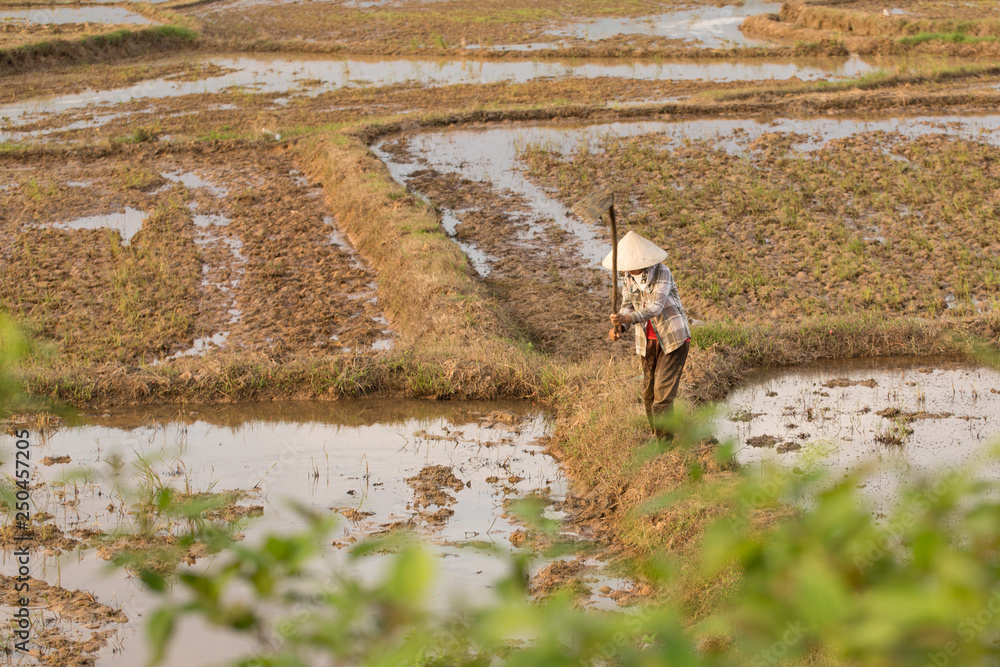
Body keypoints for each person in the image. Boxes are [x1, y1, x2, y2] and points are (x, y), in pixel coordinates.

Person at [607, 231, 691, 439]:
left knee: (662, 395)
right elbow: (627, 305)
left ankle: (664, 441)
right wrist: (620, 328)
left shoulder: (662, 272)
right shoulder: (627, 277)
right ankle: (657, 433)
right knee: (648, 393)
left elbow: (655, 308)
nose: (625, 267)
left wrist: (626, 319)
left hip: (672, 338)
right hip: (647, 341)